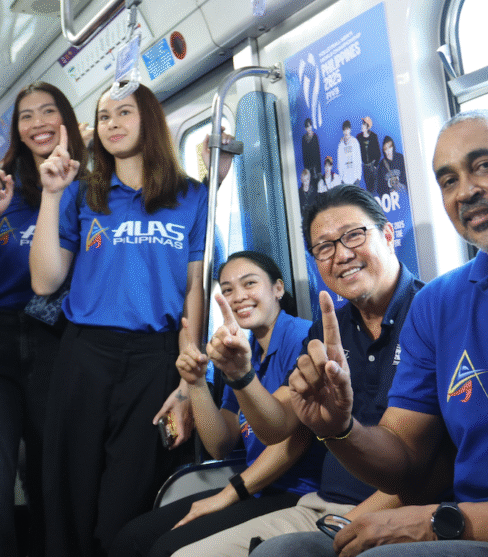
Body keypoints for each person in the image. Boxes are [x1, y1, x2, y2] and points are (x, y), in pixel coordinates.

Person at [269, 110, 488, 556]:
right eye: (448, 180)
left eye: (485, 165)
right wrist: (341, 429)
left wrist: (443, 524)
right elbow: (403, 459)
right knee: (283, 553)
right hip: (468, 527)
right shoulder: (440, 303)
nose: (466, 190)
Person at [173, 185, 432, 557]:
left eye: (354, 235)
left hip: (397, 509)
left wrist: (350, 524)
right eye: (324, 247)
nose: (341, 254)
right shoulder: (327, 329)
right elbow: (277, 425)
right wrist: (241, 374)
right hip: (318, 506)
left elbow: (429, 465)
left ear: (388, 235)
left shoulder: (431, 312)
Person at [30, 82, 207, 557]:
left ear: (150, 119)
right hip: (86, 352)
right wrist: (51, 196)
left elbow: (195, 288)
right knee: (70, 492)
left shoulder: (192, 196)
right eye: (104, 116)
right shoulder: (84, 194)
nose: (112, 124)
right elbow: (45, 282)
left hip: (155, 356)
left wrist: (189, 380)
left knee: (130, 496)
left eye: (124, 113)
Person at [0, 81, 89, 557]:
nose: (39, 123)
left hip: (57, 338)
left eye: (49, 111)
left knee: (55, 479)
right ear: (16, 129)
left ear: (67, 120)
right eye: (26, 116)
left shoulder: (87, 184)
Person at [109, 251, 324, 557]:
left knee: (166, 549)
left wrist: (228, 494)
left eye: (249, 283)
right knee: (132, 538)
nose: (238, 297)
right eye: (227, 290)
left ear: (278, 288)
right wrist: (196, 384)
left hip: (297, 491)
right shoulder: (244, 349)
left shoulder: (301, 337)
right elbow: (220, 444)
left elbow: (293, 439)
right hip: (256, 488)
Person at [357, 117, 382, 193]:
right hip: (365, 166)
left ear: (368, 127)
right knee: (368, 189)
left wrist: (375, 165)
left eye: (364, 125)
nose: (362, 126)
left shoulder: (373, 136)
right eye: (362, 124)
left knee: (375, 188)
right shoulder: (359, 137)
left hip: (373, 165)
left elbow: (378, 153)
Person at [338, 120, 363, 187]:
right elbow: (339, 162)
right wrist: (341, 178)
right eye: (345, 129)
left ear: (350, 130)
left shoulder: (355, 142)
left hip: (355, 178)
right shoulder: (341, 145)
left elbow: (359, 159)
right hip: (345, 179)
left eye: (348, 129)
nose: (346, 131)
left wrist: (358, 176)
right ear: (343, 131)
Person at [303, 118, 323, 186]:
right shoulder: (303, 139)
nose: (309, 128)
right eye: (307, 126)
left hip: (315, 168)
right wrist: (306, 170)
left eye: (310, 125)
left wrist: (319, 171)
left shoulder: (315, 137)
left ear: (311, 126)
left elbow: (318, 154)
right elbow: (304, 155)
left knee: (317, 186)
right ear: (305, 128)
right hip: (308, 168)